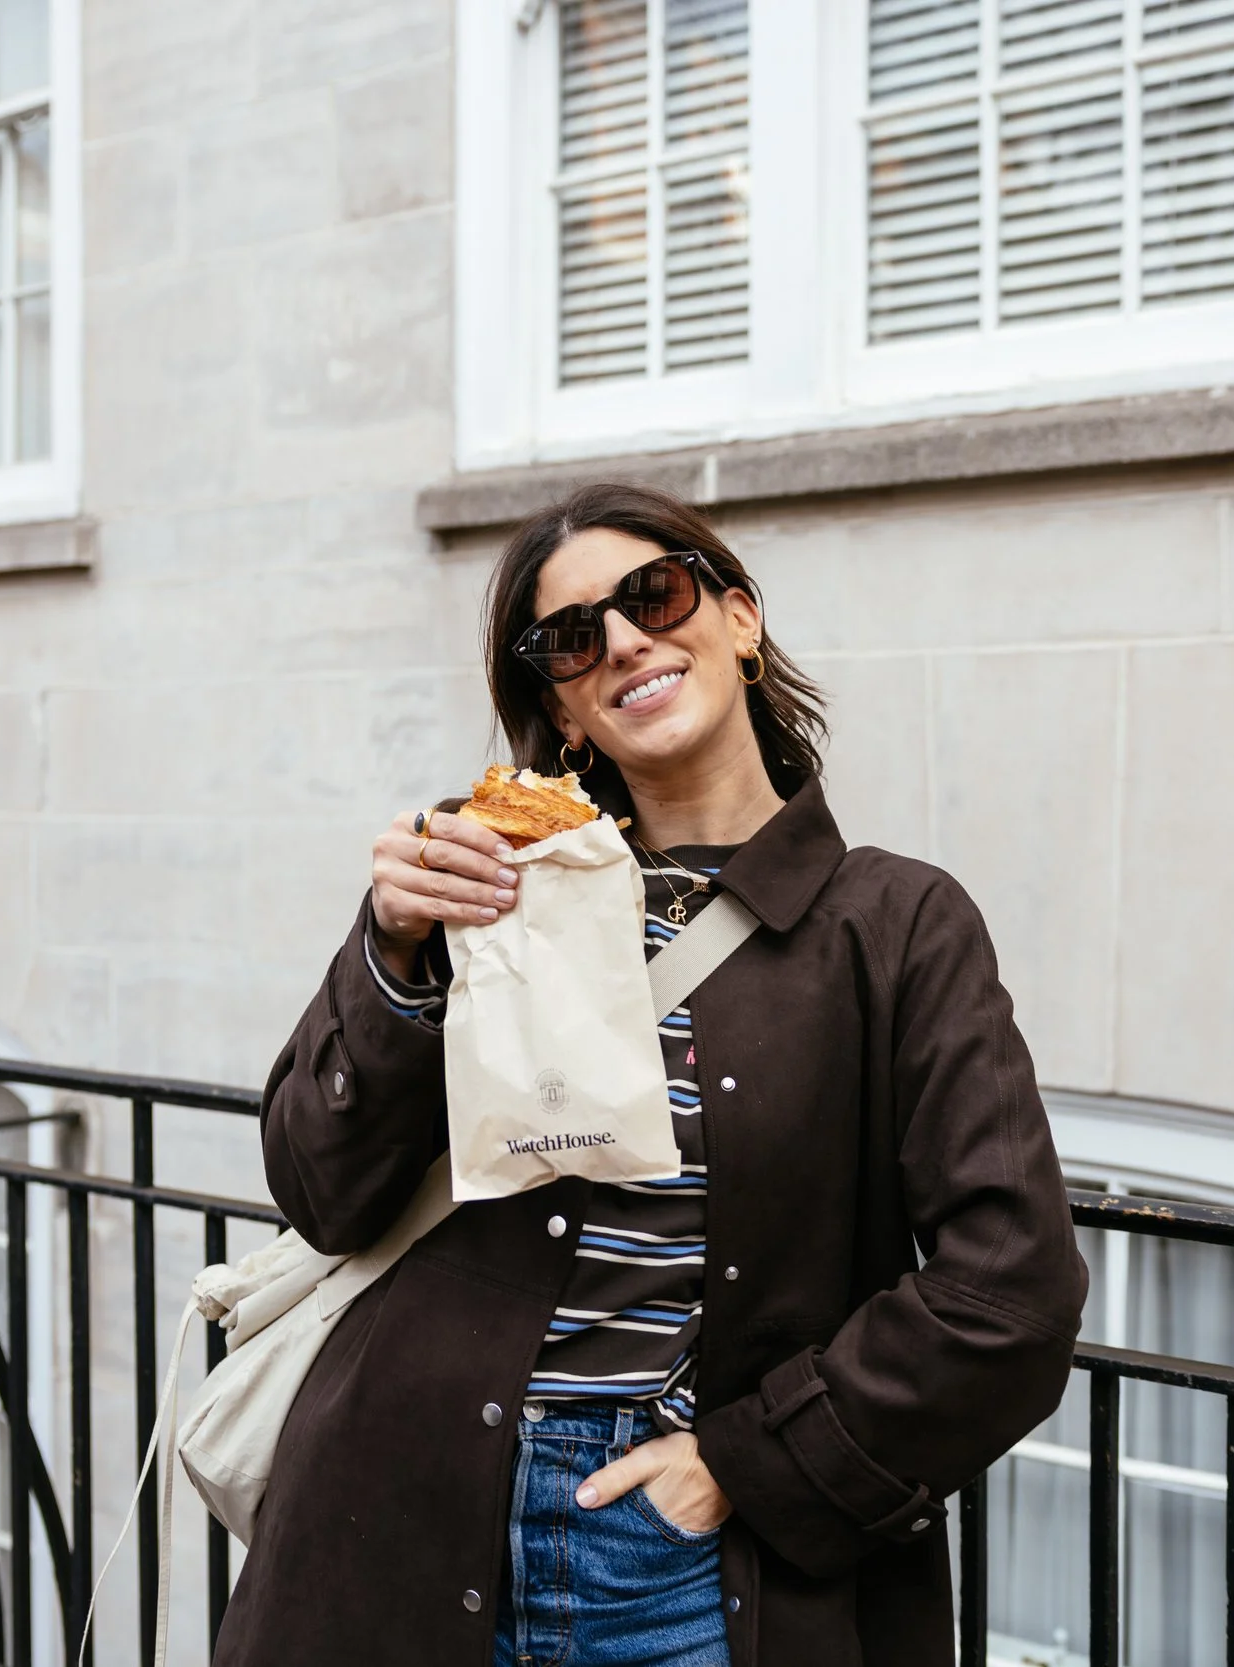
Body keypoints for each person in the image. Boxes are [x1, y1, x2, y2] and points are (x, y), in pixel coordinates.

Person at [214, 483, 1088, 1667]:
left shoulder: (894, 923)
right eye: (570, 639)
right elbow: (320, 1193)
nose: (623, 639)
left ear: (739, 619)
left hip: (679, 1554)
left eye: (654, 594)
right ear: (566, 712)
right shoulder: (491, 883)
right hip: (398, 1508)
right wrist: (394, 954)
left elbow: (1011, 1289)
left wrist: (741, 1464)